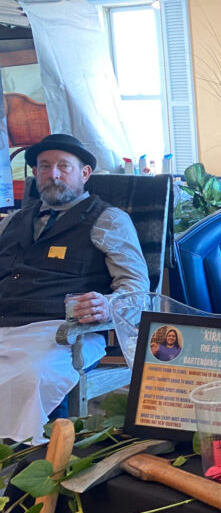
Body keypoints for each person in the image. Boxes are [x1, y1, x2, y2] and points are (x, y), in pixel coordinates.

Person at [0, 134, 148, 442]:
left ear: (85, 174)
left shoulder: (108, 220)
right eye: (44, 166)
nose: (53, 174)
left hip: (59, 333)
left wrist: (109, 305)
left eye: (63, 166)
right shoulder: (11, 222)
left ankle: (29, 457)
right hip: (4, 326)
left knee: (33, 376)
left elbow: (136, 288)